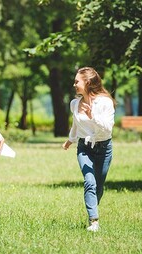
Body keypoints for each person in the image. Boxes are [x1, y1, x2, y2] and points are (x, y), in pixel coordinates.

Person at [62, 67, 116, 232]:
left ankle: (93, 209)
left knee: (98, 186)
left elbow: (107, 128)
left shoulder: (105, 102)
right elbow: (76, 124)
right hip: (84, 148)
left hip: (104, 148)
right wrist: (70, 140)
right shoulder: (75, 104)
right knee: (89, 182)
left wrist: (93, 116)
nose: (74, 84)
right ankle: (94, 221)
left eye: (77, 81)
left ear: (88, 82)